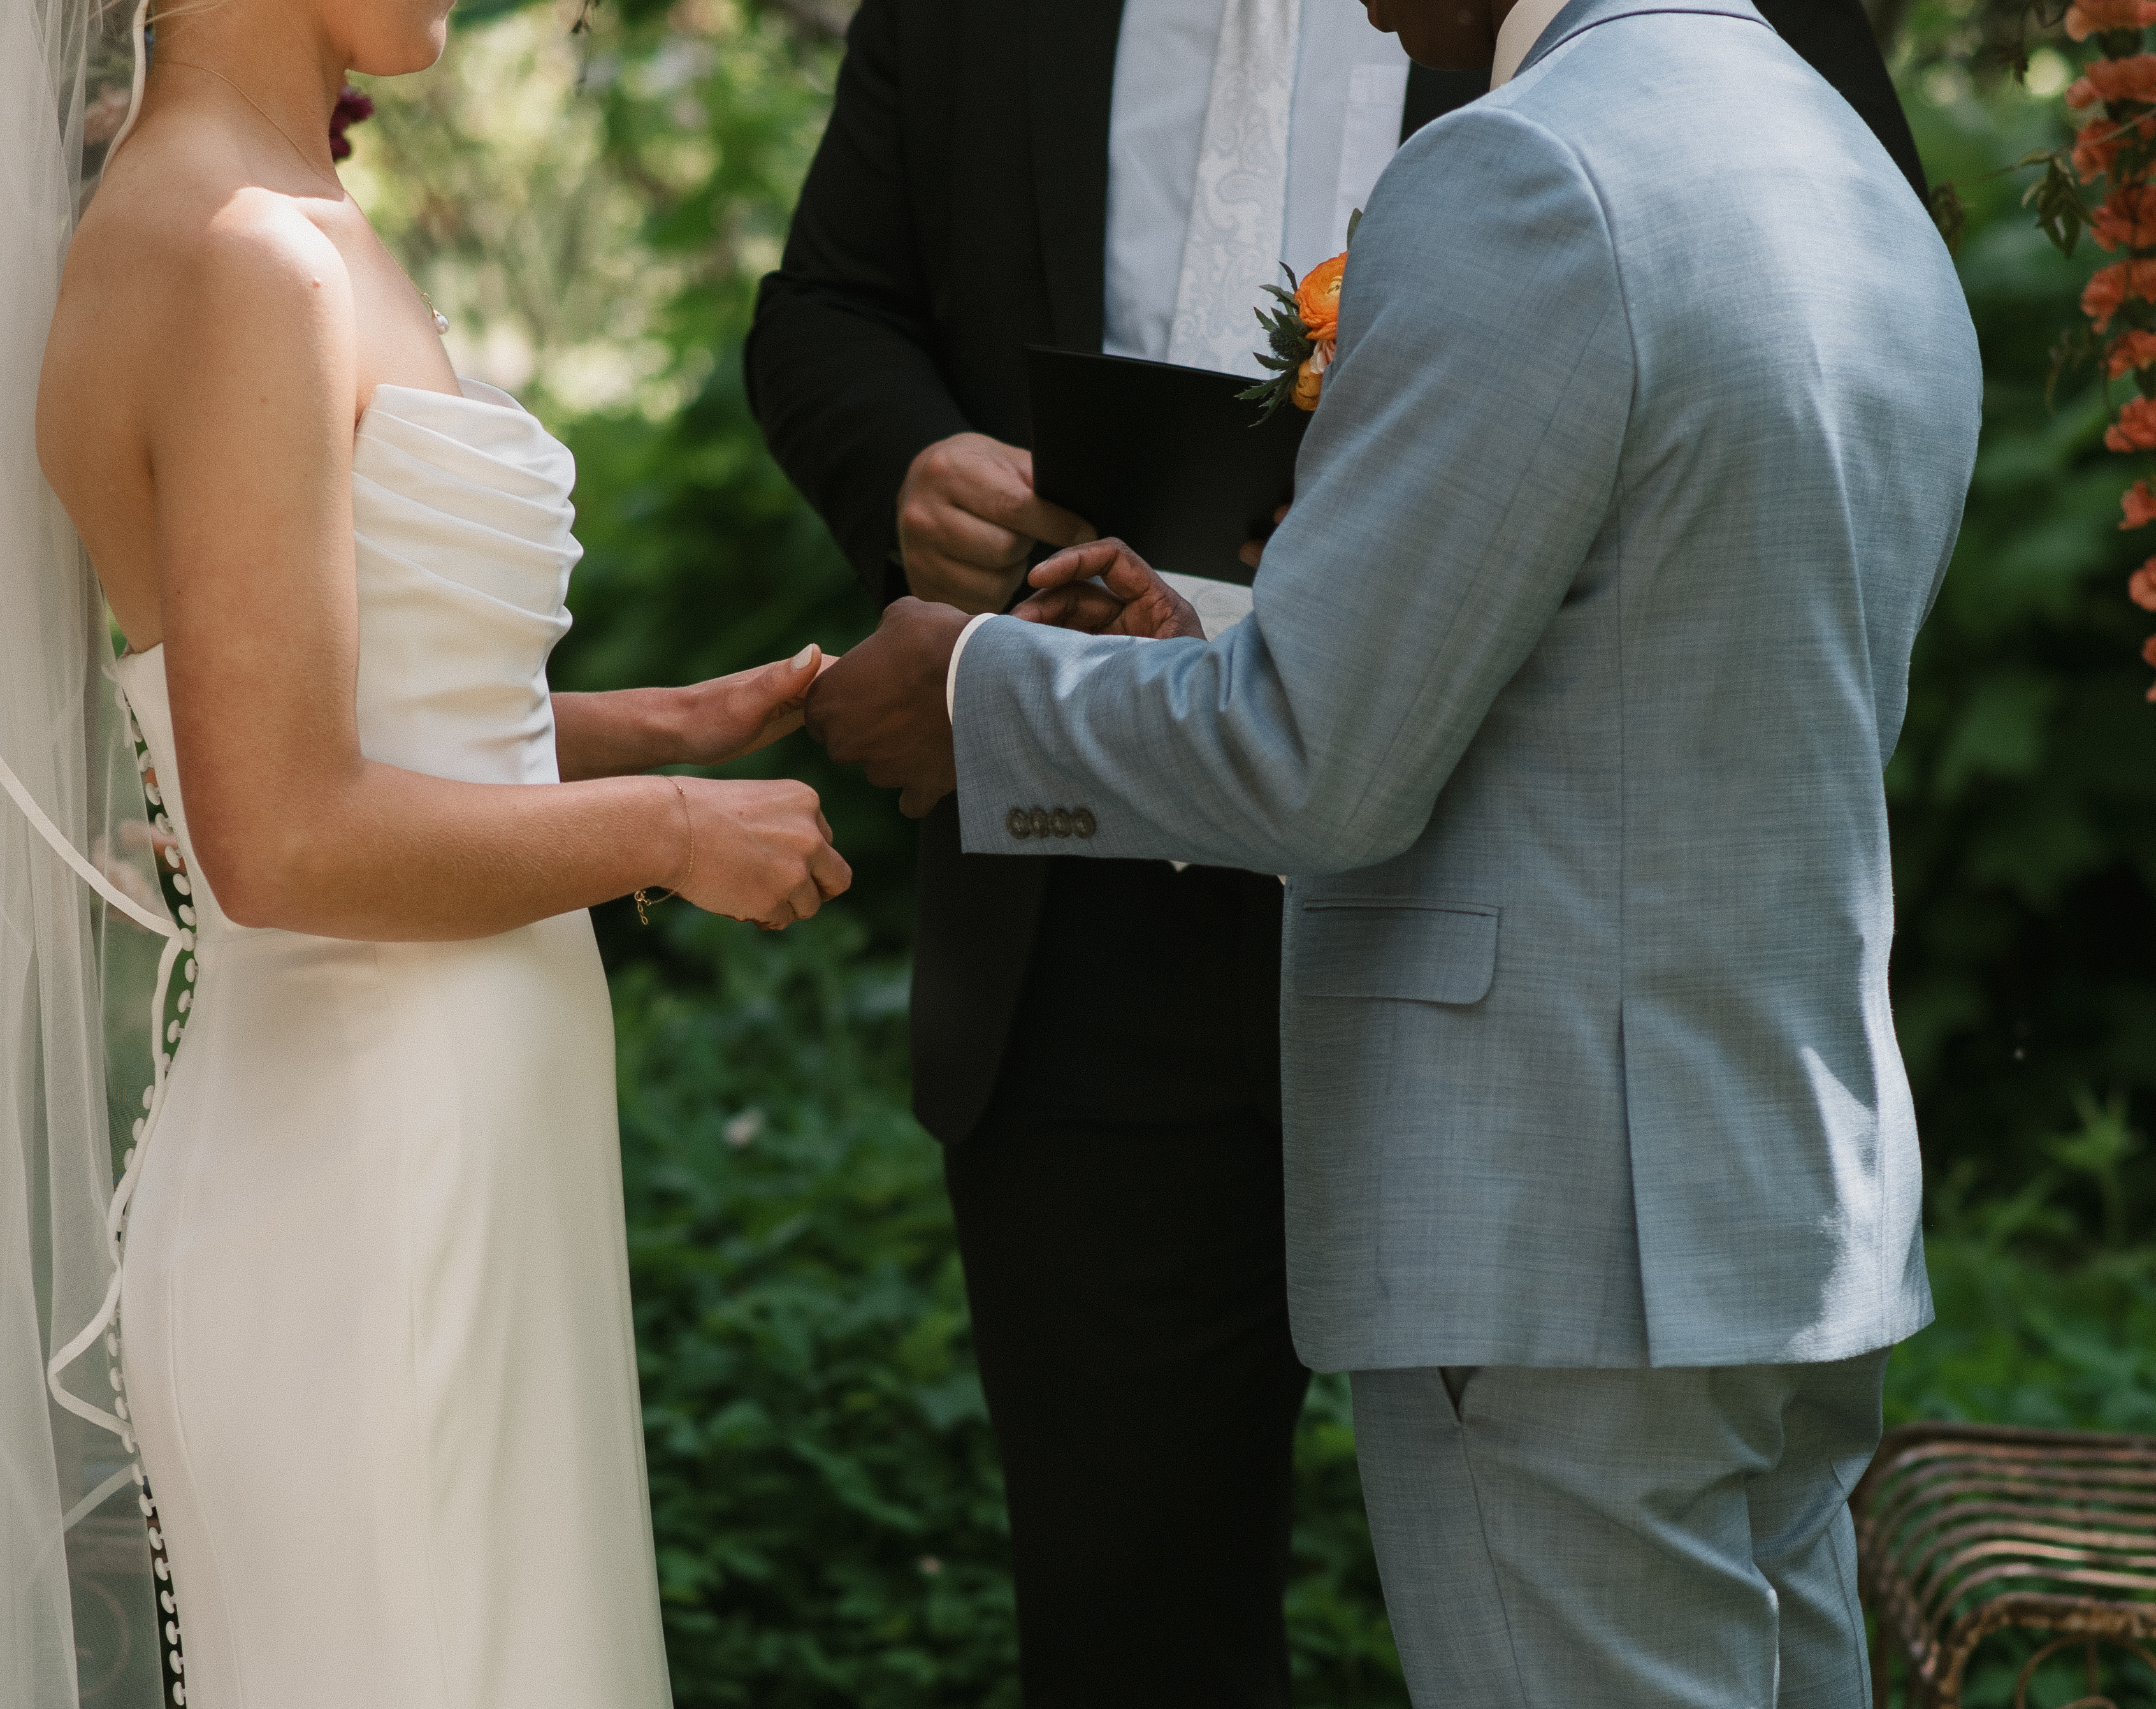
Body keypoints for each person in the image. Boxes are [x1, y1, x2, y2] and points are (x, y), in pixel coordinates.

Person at [0, 0, 846, 1701]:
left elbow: (335, 727)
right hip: (366, 1173)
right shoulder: (233, 253)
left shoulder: (262, 214)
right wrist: (663, 834)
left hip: (443, 1158)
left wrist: (665, 730)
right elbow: (272, 832)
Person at [800, 0, 1979, 1703]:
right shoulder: (1817, 149)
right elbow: (1647, 672)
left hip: (1556, 1227)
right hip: (1773, 1199)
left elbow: (1318, 767)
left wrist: (983, 692)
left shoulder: (1520, 171)